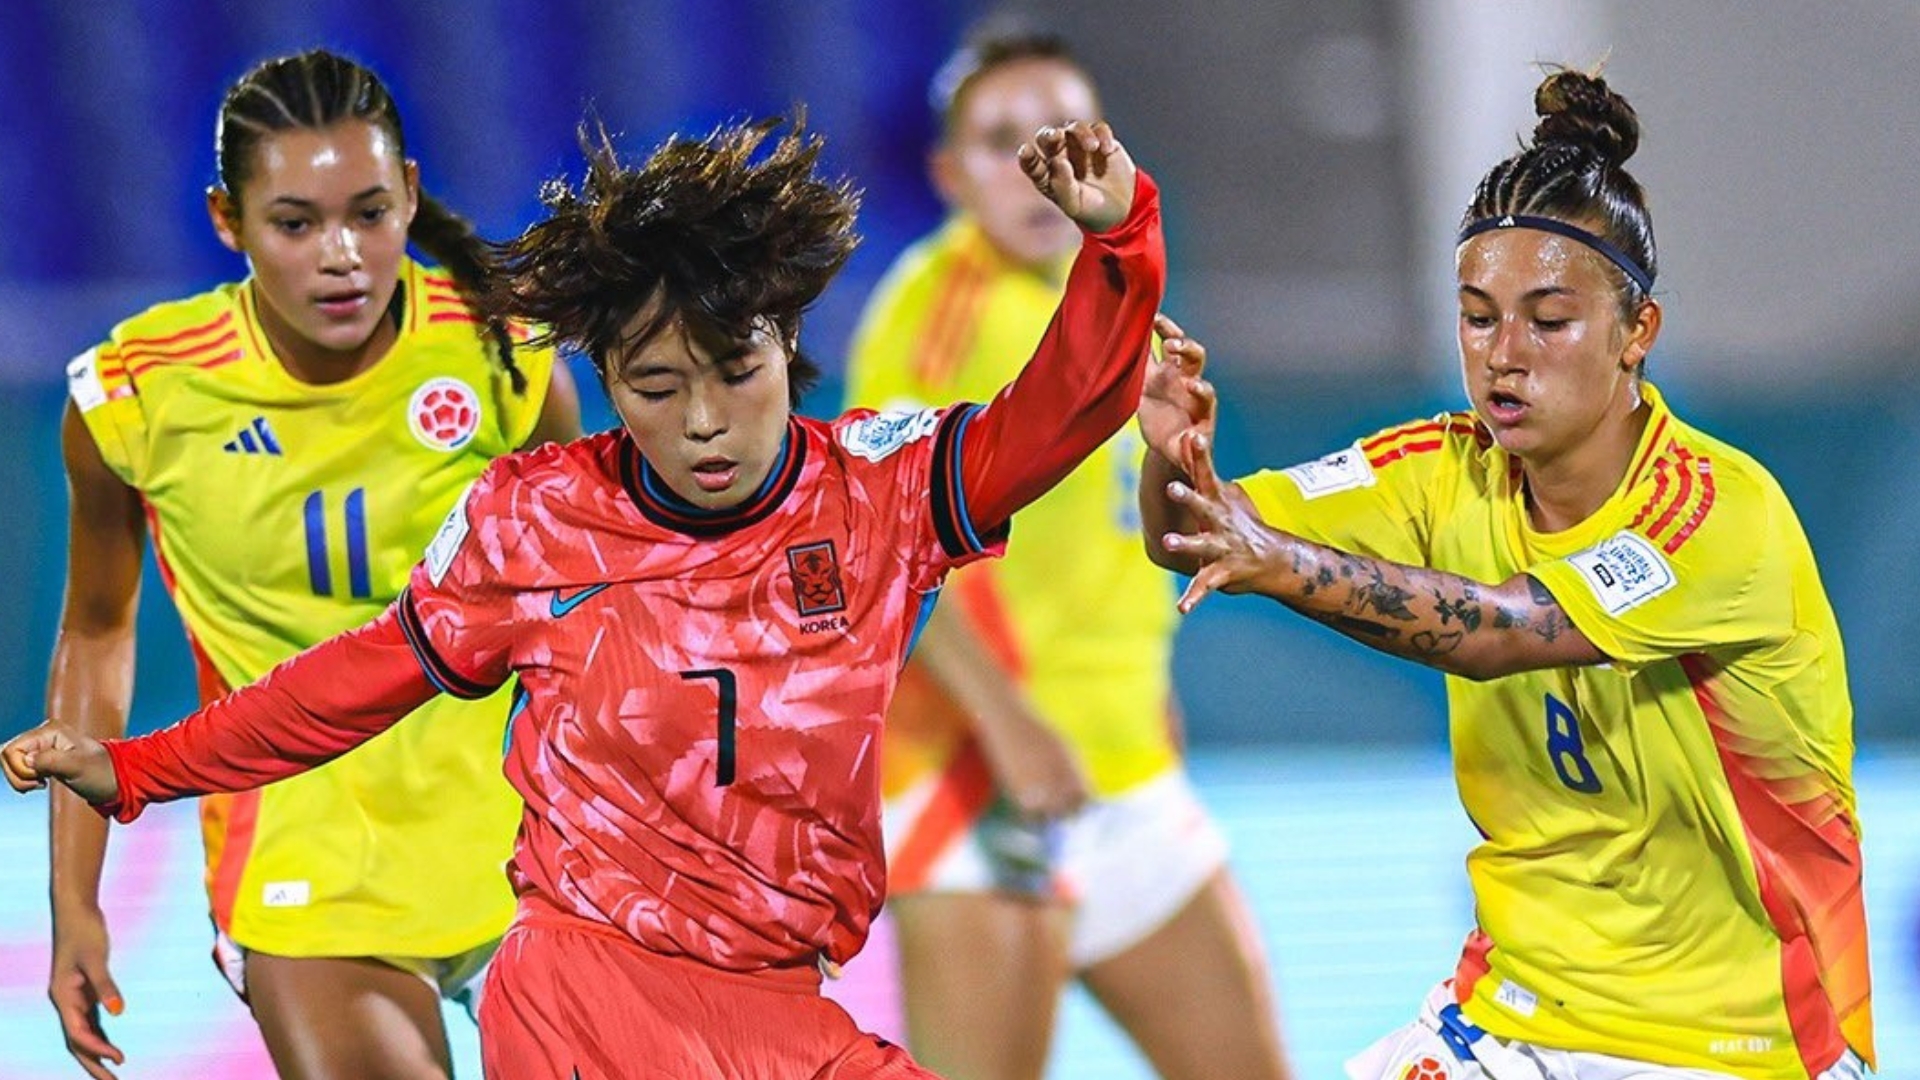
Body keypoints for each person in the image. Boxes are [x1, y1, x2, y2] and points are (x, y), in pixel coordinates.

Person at [6, 108, 1168, 1079]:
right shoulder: (535, 521)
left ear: (789, 343)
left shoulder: (877, 490)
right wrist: (141, 769)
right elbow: (351, 684)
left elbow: (1062, 410)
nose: (704, 422)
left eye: (736, 372)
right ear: (605, 379)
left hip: (780, 1003)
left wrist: (1118, 242)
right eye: (656, 386)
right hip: (587, 995)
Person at [1137, 68, 1871, 1080]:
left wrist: (1281, 566)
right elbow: (1194, 530)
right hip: (1514, 1018)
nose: (1503, 356)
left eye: (1550, 320)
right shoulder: (1445, 467)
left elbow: (1498, 632)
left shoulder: (1717, 510)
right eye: (1478, 317)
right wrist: (1173, 455)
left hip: (1736, 1043)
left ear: (1637, 333)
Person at [42, 48, 580, 1080]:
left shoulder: (503, 356)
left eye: (369, 213)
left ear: (411, 197)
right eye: (295, 224)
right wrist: (76, 900)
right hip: (303, 863)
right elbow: (99, 632)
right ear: (225, 222)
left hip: (533, 859)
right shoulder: (138, 396)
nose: (342, 254)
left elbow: (580, 617)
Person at [842, 27, 1290, 1080]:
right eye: (1002, 142)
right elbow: (884, 543)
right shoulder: (939, 315)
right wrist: (1011, 726)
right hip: (986, 786)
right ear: (950, 176)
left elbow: (1127, 536)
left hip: (1125, 773)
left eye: (1060, 133)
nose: (1037, 165)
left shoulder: (1110, 297)